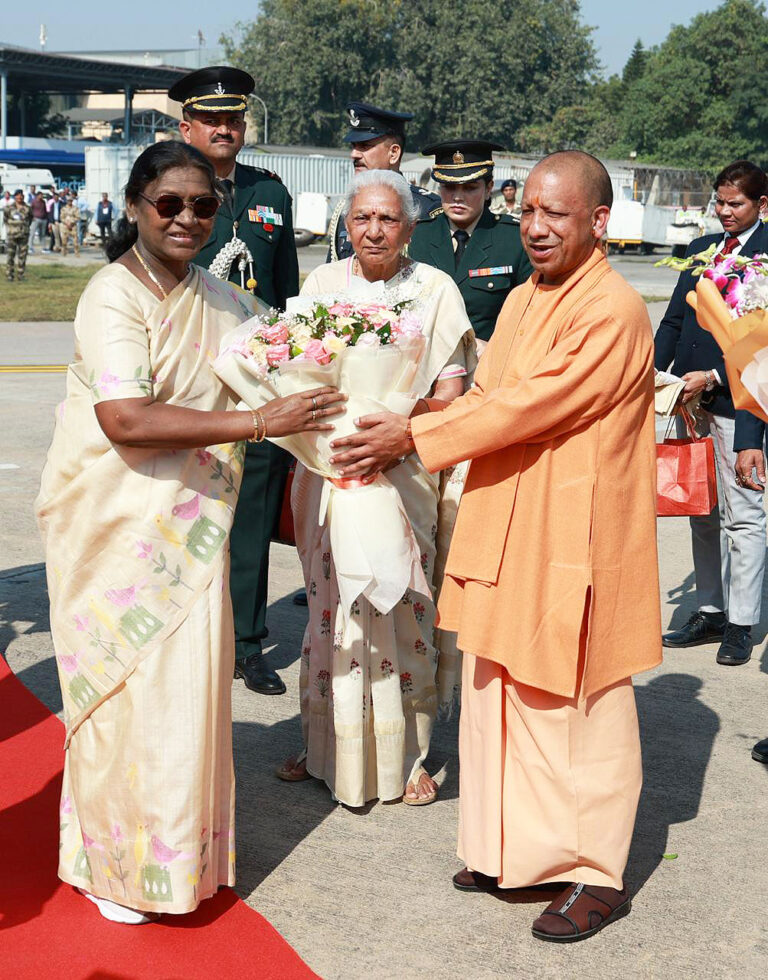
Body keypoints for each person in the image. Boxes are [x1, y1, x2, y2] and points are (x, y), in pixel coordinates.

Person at [328, 151, 662, 941]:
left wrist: (415, 434)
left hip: (572, 533)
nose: (538, 229)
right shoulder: (517, 301)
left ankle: (594, 871)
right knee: (495, 699)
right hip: (505, 523)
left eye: (558, 215)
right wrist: (403, 413)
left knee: (576, 707)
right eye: (530, 214)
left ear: (599, 222)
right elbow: (487, 396)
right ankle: (511, 852)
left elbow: (534, 406)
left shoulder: (612, 309)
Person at [34, 141, 345, 926]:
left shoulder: (221, 298)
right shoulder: (113, 294)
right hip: (114, 526)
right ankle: (112, 867)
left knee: (183, 701)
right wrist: (255, 421)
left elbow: (286, 361)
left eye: (202, 205)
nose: (186, 218)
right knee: (123, 696)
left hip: (193, 529)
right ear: (137, 205)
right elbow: (126, 419)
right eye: (169, 203)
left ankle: (180, 861)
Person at [277, 168, 476, 807]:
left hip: (405, 470)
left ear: (411, 228)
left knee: (401, 606)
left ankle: (407, 754)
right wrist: (334, 438)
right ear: (345, 224)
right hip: (330, 467)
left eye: (388, 219)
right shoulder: (321, 284)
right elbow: (295, 376)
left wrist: (400, 432)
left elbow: (451, 390)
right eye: (362, 218)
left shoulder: (435, 289)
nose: (374, 230)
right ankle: (321, 744)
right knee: (331, 612)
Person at [171, 65, 300, 696]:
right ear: (185, 124)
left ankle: (247, 643)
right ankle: (181, 633)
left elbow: (287, 292)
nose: (225, 129)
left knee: (251, 514)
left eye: (234, 118)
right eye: (211, 118)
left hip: (256, 381)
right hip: (189, 380)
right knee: (183, 510)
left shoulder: (270, 191)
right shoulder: (165, 187)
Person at [655, 160, 768, 667]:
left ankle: (742, 623)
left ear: (761, 206)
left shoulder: (765, 260)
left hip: (740, 406)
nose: (723, 212)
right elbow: (674, 322)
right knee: (699, 510)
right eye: (718, 202)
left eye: (735, 204)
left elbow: (760, 347)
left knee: (743, 516)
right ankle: (711, 608)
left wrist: (716, 379)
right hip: (690, 401)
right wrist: (652, 376)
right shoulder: (701, 252)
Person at [408, 140, 532, 342]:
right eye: (449, 187)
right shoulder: (416, 236)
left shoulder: (513, 240)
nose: (458, 197)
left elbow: (530, 315)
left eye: (470, 188)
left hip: (488, 364)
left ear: (489, 188)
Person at [326, 102, 441, 262]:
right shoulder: (348, 207)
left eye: (365, 146)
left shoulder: (426, 209)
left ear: (393, 153)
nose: (354, 154)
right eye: (353, 146)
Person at [4, 189, 31, 282]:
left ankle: (21, 275)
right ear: (15, 197)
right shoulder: (9, 208)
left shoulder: (27, 208)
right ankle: (9, 275)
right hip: (12, 235)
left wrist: (24, 227)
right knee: (10, 256)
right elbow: (5, 219)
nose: (20, 197)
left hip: (23, 235)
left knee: (22, 256)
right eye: (18, 195)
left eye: (21, 195)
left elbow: (30, 219)